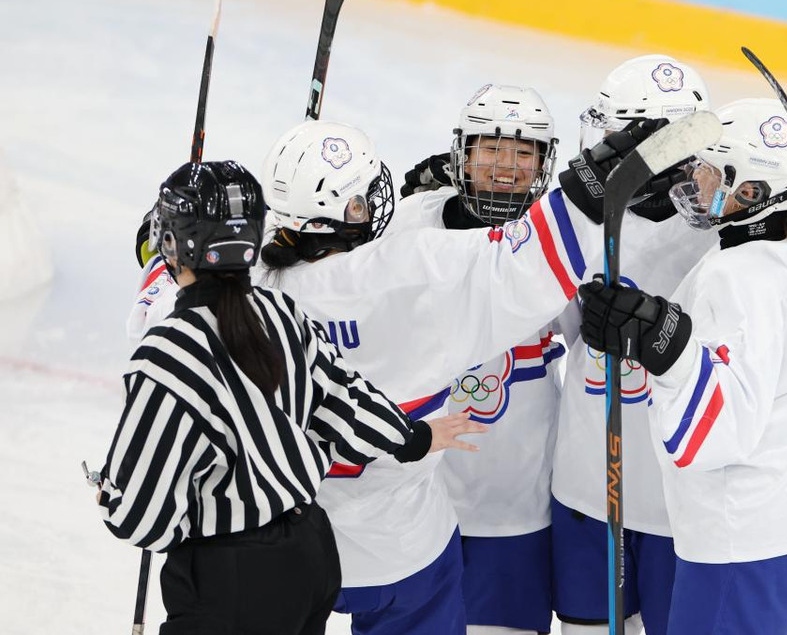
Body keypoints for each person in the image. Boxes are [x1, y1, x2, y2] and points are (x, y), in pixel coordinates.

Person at [128, 117, 683, 634]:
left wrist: (167, 247)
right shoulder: (417, 272)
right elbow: (525, 262)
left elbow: (160, 302)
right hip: (400, 545)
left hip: (274, 540)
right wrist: (586, 187)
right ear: (352, 210)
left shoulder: (236, 295)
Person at [98, 160, 486, 634]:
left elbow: (141, 522)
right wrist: (413, 436)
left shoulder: (166, 354)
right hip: (309, 555)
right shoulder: (283, 313)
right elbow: (346, 402)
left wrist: (110, 494)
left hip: (229, 581)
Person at [577, 98, 787, 634]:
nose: (695, 176)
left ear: (752, 191)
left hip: (746, 536)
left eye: (712, 168)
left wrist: (658, 342)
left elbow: (707, 436)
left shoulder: (735, 276)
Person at [550, 54, 714, 635]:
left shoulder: (725, 227)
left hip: (682, 509)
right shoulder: (574, 222)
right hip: (590, 494)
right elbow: (525, 324)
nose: (605, 150)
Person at [394, 84, 563, 635]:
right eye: (491, 148)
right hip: (413, 498)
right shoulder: (412, 223)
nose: (507, 166)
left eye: (523, 152)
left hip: (513, 507)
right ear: (462, 153)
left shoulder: (558, 236)